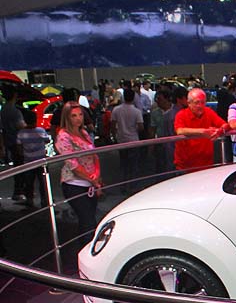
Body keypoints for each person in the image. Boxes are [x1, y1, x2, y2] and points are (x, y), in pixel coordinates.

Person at [55, 101, 102, 237]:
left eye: (80, 115)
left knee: (89, 220)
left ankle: (86, 245)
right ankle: (88, 247)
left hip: (90, 182)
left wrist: (97, 176)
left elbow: (94, 155)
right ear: (67, 117)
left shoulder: (83, 132)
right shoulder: (63, 136)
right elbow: (72, 164)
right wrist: (92, 180)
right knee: (88, 221)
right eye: (74, 116)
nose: (78, 118)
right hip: (74, 184)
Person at [174, 88, 230, 173]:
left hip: (206, 165)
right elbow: (180, 130)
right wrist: (203, 132)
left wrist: (219, 131)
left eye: (203, 102)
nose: (200, 106)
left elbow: (225, 125)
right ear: (189, 103)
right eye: (197, 102)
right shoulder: (181, 115)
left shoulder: (208, 112)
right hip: (185, 166)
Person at [110, 88, 144, 192]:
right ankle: (134, 186)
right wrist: (134, 129)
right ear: (133, 98)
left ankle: (123, 186)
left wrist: (114, 135)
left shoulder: (116, 110)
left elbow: (112, 125)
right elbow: (141, 127)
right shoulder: (137, 111)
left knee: (124, 164)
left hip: (121, 140)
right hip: (133, 140)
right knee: (134, 165)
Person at [15, 110, 49, 208]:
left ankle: (29, 200)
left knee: (29, 182)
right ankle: (45, 200)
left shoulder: (21, 133)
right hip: (41, 160)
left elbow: (19, 148)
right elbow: (47, 140)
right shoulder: (40, 131)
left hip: (28, 161)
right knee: (43, 182)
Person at [1, 87, 27, 201]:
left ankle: (19, 190)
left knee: (17, 166)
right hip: (18, 141)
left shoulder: (3, 109)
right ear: (15, 95)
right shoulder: (15, 111)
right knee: (21, 166)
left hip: (9, 140)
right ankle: (20, 190)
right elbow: (20, 125)